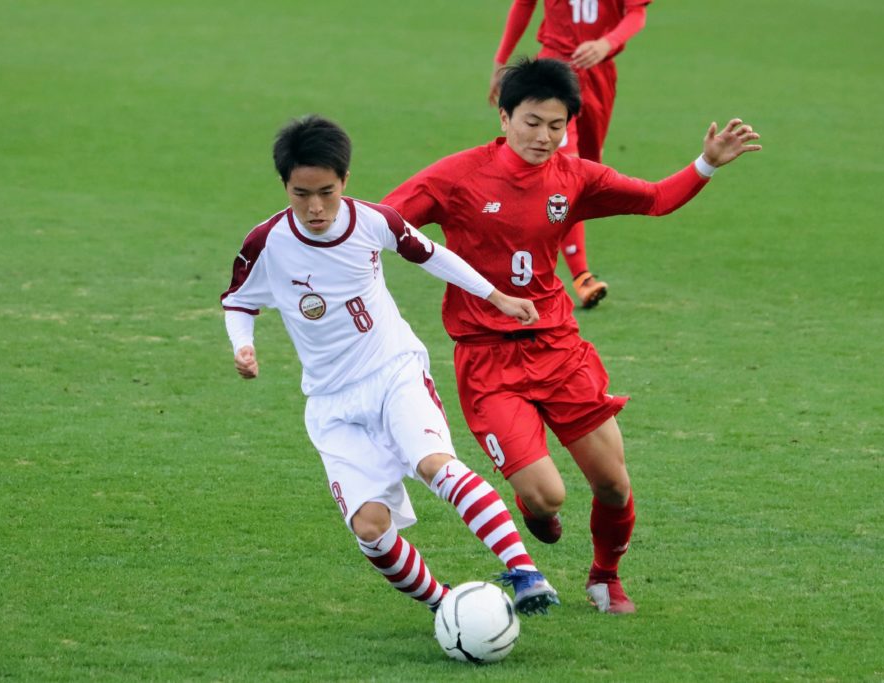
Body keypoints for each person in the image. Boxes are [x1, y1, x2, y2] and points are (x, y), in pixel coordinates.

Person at [383, 58, 760, 614]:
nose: (544, 137)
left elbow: (655, 198)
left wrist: (706, 163)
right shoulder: (455, 177)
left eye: (556, 126)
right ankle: (534, 507)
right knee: (548, 496)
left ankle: (605, 578)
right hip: (488, 361)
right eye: (532, 122)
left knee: (613, 485)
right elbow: (381, 223)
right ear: (505, 115)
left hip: (559, 349)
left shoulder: (574, 176)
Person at [219, 115, 560, 616]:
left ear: (346, 181)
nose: (315, 207)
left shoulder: (374, 221)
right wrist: (241, 345)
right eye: (301, 193)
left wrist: (496, 296)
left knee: (434, 466)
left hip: (393, 371)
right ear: (285, 186)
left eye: (327, 192)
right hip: (331, 403)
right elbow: (238, 301)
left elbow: (432, 255)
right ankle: (448, 609)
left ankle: (527, 573)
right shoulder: (265, 243)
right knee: (371, 529)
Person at [488, 0, 653, 309]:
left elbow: (637, 14)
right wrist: (501, 60)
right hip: (554, 71)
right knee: (561, 170)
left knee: (587, 173)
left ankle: (542, 243)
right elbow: (523, 6)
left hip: (599, 73)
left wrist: (606, 43)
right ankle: (579, 275)